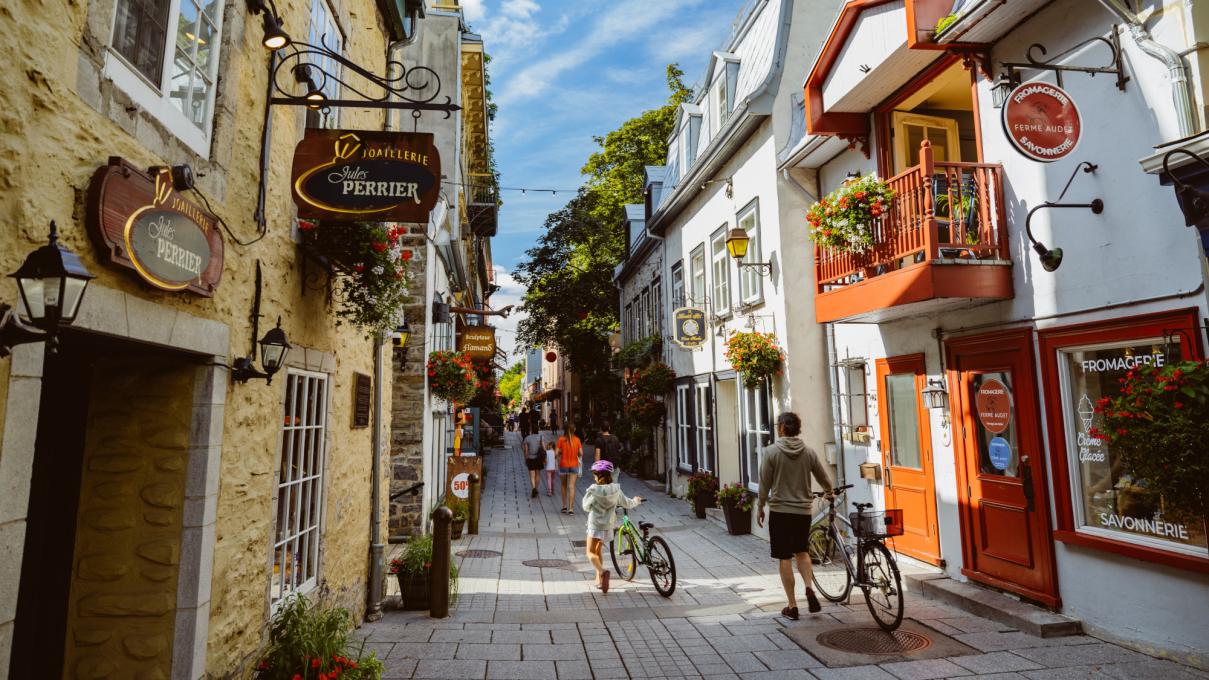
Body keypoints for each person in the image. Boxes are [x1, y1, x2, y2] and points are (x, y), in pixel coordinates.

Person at [756, 411, 833, 621]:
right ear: (797, 429)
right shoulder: (808, 452)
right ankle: (809, 588)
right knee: (802, 551)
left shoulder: (771, 452)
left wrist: (760, 505)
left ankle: (792, 606)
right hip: (802, 512)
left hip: (781, 512)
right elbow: (822, 476)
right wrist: (829, 491)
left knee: (784, 557)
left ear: (781, 428)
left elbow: (764, 482)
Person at [581, 459, 642, 593]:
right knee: (598, 551)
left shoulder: (594, 490)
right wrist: (636, 501)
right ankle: (599, 581)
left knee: (590, 552)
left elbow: (585, 507)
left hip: (595, 525)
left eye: (594, 474)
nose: (593, 476)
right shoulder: (615, 489)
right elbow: (627, 503)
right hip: (608, 526)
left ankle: (602, 572)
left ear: (598, 475)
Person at [557, 422, 584, 514]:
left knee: (563, 485)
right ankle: (571, 509)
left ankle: (564, 506)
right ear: (574, 429)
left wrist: (561, 452)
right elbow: (581, 453)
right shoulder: (577, 440)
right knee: (571, 486)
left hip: (563, 465)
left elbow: (556, 453)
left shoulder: (561, 439)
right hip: (574, 465)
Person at [522, 426, 546, 498]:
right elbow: (544, 448)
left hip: (531, 458)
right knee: (538, 474)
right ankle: (537, 488)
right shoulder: (541, 437)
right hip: (538, 458)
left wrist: (526, 458)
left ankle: (533, 488)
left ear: (531, 431)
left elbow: (526, 451)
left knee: (532, 475)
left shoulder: (527, 438)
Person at [542, 432, 558, 497]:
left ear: (549, 446)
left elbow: (545, 460)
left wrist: (542, 442)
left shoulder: (547, 452)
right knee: (553, 479)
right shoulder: (555, 452)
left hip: (548, 468)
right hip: (554, 468)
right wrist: (557, 467)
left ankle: (549, 491)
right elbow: (556, 460)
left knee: (549, 479)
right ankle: (553, 490)